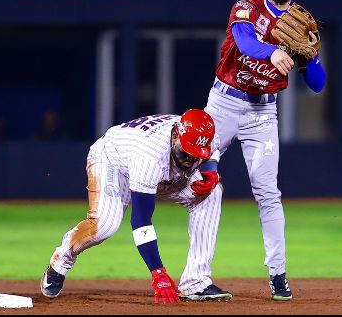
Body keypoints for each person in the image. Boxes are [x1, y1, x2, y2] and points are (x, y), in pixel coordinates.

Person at [203, 0, 326, 301]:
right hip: (224, 103)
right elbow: (244, 42)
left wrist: (312, 55)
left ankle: (278, 274)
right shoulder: (247, 8)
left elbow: (317, 85)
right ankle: (197, 276)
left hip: (262, 113)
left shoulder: (303, 26)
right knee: (200, 183)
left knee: (268, 193)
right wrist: (272, 53)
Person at [39, 108, 231, 304]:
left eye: (196, 154)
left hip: (161, 169)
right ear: (175, 134)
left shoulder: (205, 133)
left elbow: (212, 151)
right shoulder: (150, 154)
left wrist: (210, 169)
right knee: (104, 226)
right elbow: (141, 220)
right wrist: (158, 273)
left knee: (212, 193)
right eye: (187, 151)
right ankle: (62, 258)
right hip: (113, 162)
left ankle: (196, 282)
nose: (190, 160)